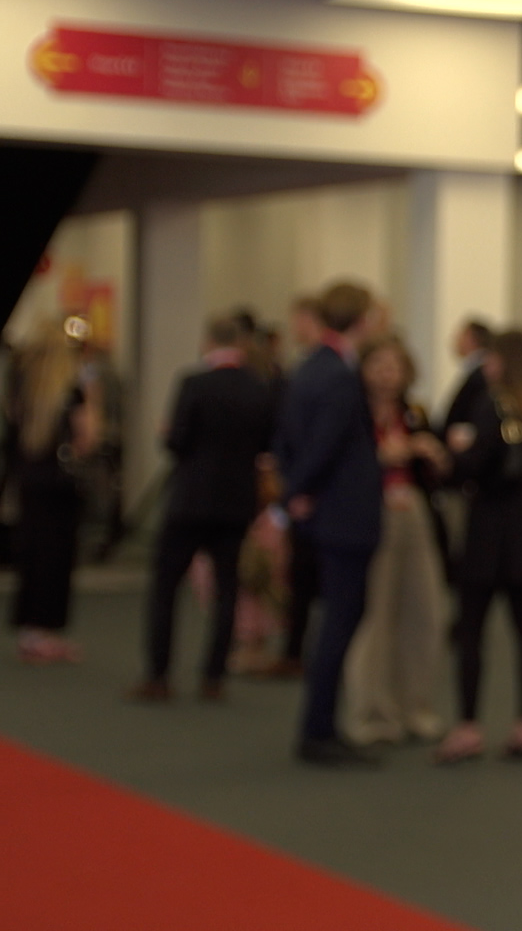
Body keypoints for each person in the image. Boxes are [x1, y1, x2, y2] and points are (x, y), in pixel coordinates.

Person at [432, 329, 522, 764]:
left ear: (506, 362)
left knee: (472, 630)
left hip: (489, 534)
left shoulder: (493, 407)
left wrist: (455, 454)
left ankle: (468, 727)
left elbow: (476, 469)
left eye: (491, 358)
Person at [129, 316, 275, 702]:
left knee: (166, 586)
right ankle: (214, 677)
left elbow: (177, 441)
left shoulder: (194, 383)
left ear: (208, 341)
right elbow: (266, 444)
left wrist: (167, 433)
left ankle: (159, 675)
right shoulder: (258, 388)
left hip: (190, 500)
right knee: (228, 588)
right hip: (236, 502)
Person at [277, 282, 384, 766]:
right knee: (341, 621)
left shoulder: (309, 367)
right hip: (346, 515)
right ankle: (319, 730)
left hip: (325, 512)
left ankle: (320, 726)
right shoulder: (340, 375)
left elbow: (286, 437)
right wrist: (295, 493)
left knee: (336, 620)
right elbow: (325, 444)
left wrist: (295, 490)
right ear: (361, 320)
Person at [340, 336, 446, 745]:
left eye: (395, 366)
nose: (388, 375)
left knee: (424, 609)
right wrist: (389, 453)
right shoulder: (352, 412)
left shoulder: (413, 413)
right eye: (379, 365)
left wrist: (432, 454)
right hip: (370, 511)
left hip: (412, 510)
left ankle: (414, 705)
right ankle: (373, 711)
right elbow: (344, 462)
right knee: (376, 613)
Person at [8, 320, 101, 665]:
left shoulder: (22, 386)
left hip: (29, 480)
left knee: (32, 554)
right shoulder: (71, 389)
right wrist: (93, 395)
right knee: (56, 556)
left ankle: (30, 630)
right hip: (60, 486)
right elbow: (87, 438)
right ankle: (46, 630)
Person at [267, 295, 324, 680]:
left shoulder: (320, 373)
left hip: (314, 492)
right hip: (302, 487)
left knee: (312, 577)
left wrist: (296, 489)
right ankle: (293, 649)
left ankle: (301, 651)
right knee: (300, 577)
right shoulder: (304, 369)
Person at [431, 319, 492, 584]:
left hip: (463, 467)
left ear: (472, 339)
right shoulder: (472, 372)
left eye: (459, 335)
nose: (453, 340)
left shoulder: (479, 375)